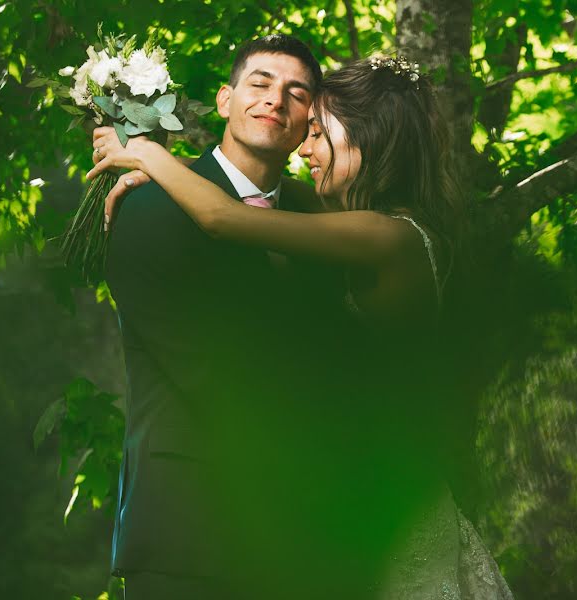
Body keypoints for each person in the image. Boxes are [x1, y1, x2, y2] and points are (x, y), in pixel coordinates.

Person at [91, 53, 514, 598]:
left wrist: (149, 154)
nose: (307, 149)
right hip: (325, 505)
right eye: (262, 85)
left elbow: (225, 218)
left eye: (318, 131)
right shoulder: (344, 224)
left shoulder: (384, 236)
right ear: (226, 98)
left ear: (370, 139)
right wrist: (165, 176)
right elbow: (246, 212)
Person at [96, 34, 338, 599]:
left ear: (309, 119)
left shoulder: (320, 216)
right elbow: (206, 366)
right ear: (225, 100)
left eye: (296, 93)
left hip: (305, 538)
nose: (275, 100)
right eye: (260, 84)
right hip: (188, 525)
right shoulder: (149, 202)